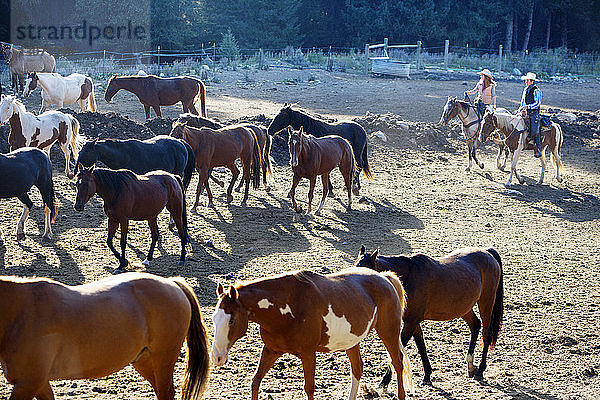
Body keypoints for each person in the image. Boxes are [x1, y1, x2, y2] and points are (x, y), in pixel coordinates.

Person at [517, 72, 542, 158]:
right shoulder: (525, 90)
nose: (526, 82)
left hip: (533, 113)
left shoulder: (536, 90)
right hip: (525, 112)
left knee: (535, 129)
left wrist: (527, 107)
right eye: (526, 81)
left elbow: (537, 103)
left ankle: (538, 147)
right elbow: (522, 102)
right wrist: (520, 109)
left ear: (532, 81)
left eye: (527, 81)